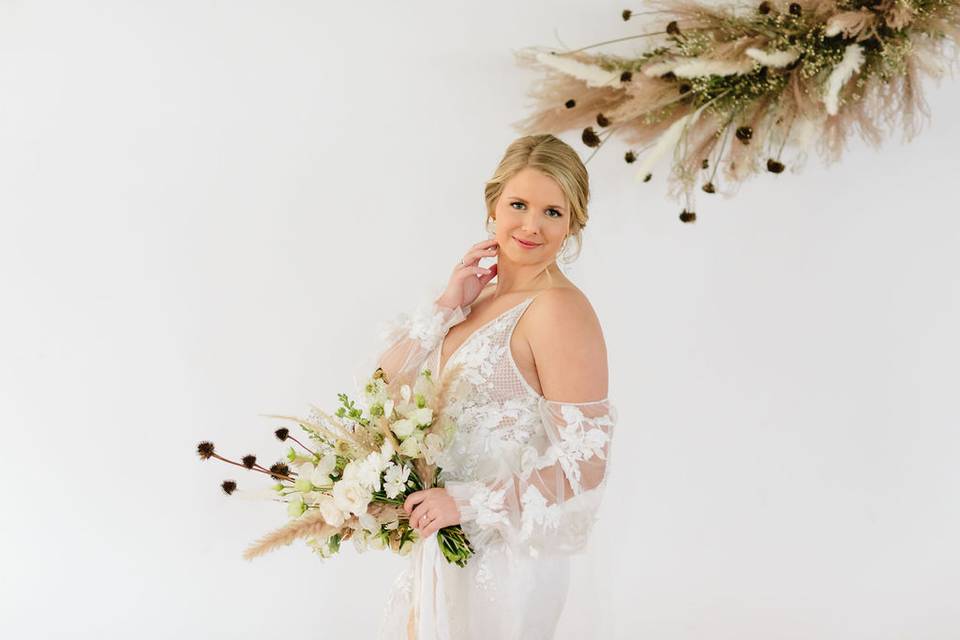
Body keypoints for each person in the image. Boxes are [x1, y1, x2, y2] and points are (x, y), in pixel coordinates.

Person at [372, 134, 617, 639]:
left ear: (573, 224)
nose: (531, 225)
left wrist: (465, 501)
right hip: (445, 545)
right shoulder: (471, 299)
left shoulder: (560, 311)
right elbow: (380, 388)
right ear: (493, 206)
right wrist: (445, 304)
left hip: (508, 563)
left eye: (553, 212)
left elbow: (585, 464)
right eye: (519, 204)